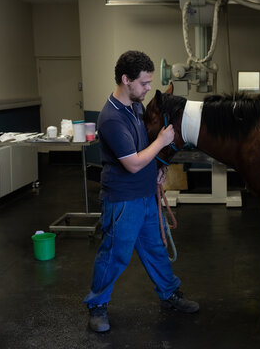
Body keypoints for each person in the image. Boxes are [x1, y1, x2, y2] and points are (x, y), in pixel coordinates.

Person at [84, 50, 199, 333]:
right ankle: (97, 305)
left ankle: (169, 293)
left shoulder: (135, 108)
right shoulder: (111, 118)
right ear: (126, 80)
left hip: (146, 195)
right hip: (123, 200)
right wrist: (161, 141)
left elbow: (140, 152)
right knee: (115, 254)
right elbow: (133, 164)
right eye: (144, 83)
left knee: (154, 249)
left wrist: (158, 171)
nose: (148, 89)